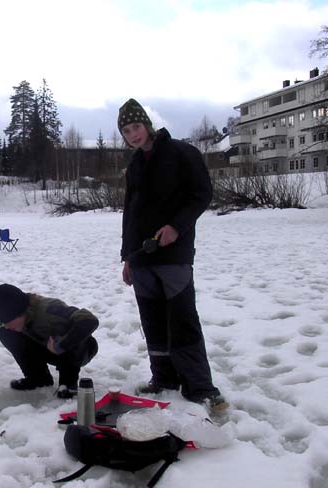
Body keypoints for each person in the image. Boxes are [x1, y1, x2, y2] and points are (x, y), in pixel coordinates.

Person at [118, 98, 227, 412]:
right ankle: (164, 378)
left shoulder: (181, 152)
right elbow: (130, 213)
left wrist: (177, 227)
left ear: (147, 124)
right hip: (142, 257)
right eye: (127, 131)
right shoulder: (135, 165)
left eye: (136, 126)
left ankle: (201, 387)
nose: (133, 134)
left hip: (173, 254)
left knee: (182, 320)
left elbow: (201, 194)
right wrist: (128, 257)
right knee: (152, 321)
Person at [0, 284, 99, 399]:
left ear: (20, 312)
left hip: (82, 349)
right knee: (4, 331)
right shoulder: (16, 312)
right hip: (47, 346)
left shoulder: (49, 310)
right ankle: (39, 378)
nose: (6, 325)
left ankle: (68, 384)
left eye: (7, 321)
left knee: (65, 331)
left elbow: (89, 320)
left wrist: (61, 345)